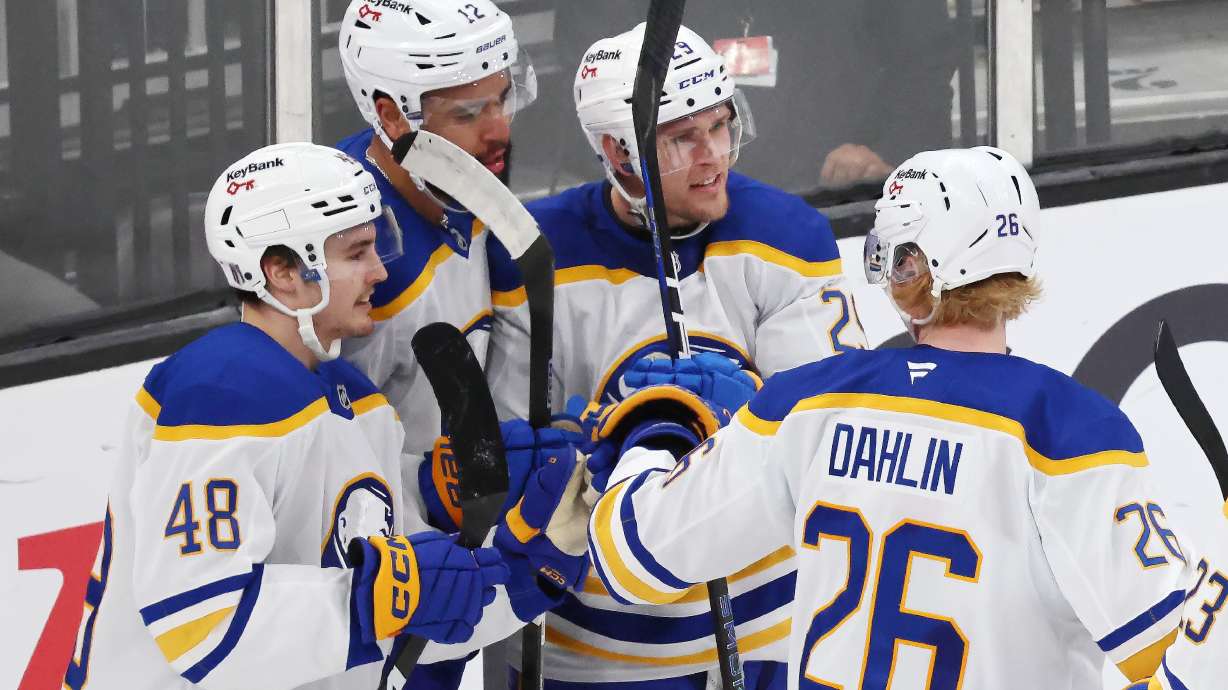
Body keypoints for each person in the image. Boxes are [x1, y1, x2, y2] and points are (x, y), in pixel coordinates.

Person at [587, 147, 1194, 688]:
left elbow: (631, 558)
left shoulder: (803, 405)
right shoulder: (1072, 431)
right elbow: (1183, 654)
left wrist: (654, 436)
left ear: (921, 269)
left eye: (895, 260)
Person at [486, 23, 866, 689]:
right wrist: (599, 440)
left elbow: (832, 434)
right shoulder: (537, 255)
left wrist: (750, 417)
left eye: (720, 127)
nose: (714, 155)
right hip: (597, 642)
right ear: (616, 150)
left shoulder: (785, 234)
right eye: (682, 139)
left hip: (764, 625)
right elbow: (513, 452)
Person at [61, 143, 515, 690]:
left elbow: (413, 597)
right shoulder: (219, 392)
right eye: (356, 253)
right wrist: (383, 602)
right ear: (281, 271)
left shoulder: (355, 397)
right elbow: (201, 622)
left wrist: (529, 563)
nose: (378, 271)